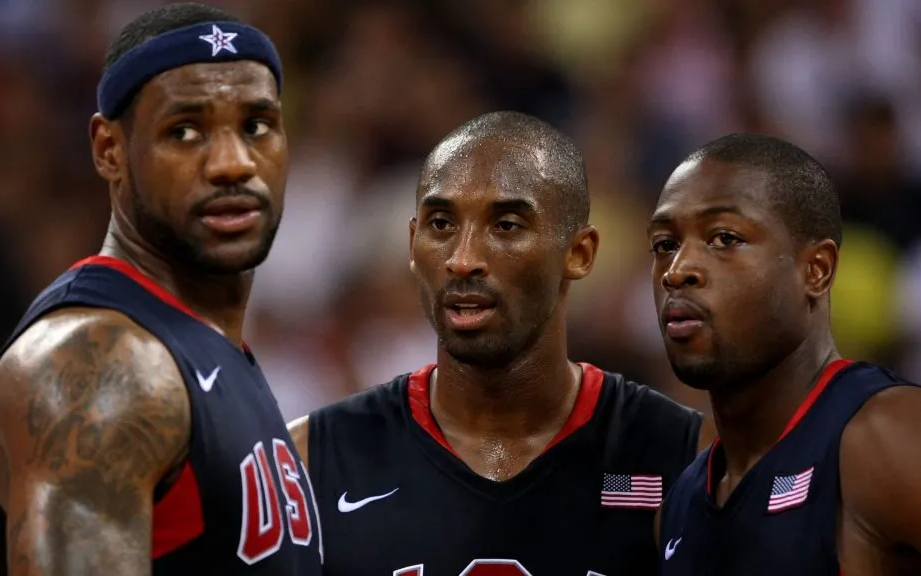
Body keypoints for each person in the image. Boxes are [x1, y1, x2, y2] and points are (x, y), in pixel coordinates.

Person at [0, 4, 322, 575]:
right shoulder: (99, 363)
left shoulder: (201, 350)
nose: (233, 163)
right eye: (185, 131)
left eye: (257, 125)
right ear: (110, 150)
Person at [287, 111, 709, 575]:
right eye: (441, 225)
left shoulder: (684, 458)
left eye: (506, 225)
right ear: (412, 245)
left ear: (579, 253)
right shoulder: (308, 461)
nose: (463, 259)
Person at [651, 133, 921, 575]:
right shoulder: (680, 504)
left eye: (724, 238)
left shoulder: (897, 436)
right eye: (664, 244)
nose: (677, 270)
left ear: (815, 271)